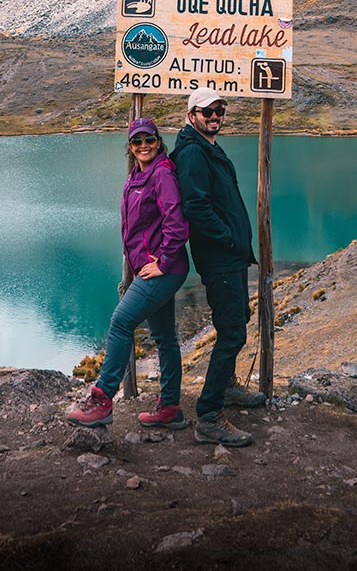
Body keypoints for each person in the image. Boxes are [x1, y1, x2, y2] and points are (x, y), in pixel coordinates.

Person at [67, 117, 189, 429]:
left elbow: (177, 223)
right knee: (164, 337)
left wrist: (161, 261)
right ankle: (171, 407)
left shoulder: (161, 174)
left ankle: (103, 399)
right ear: (131, 147)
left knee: (121, 322)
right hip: (152, 269)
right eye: (137, 141)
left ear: (159, 143)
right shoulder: (139, 174)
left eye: (150, 140)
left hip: (163, 270)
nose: (144, 145)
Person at [171, 87, 265, 448]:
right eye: (207, 111)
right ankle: (208, 416)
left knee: (237, 318)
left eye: (219, 111)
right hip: (220, 257)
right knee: (232, 333)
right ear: (192, 114)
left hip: (231, 256)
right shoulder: (193, 152)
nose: (215, 117)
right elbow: (196, 207)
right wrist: (228, 238)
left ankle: (225, 387)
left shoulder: (207, 145)